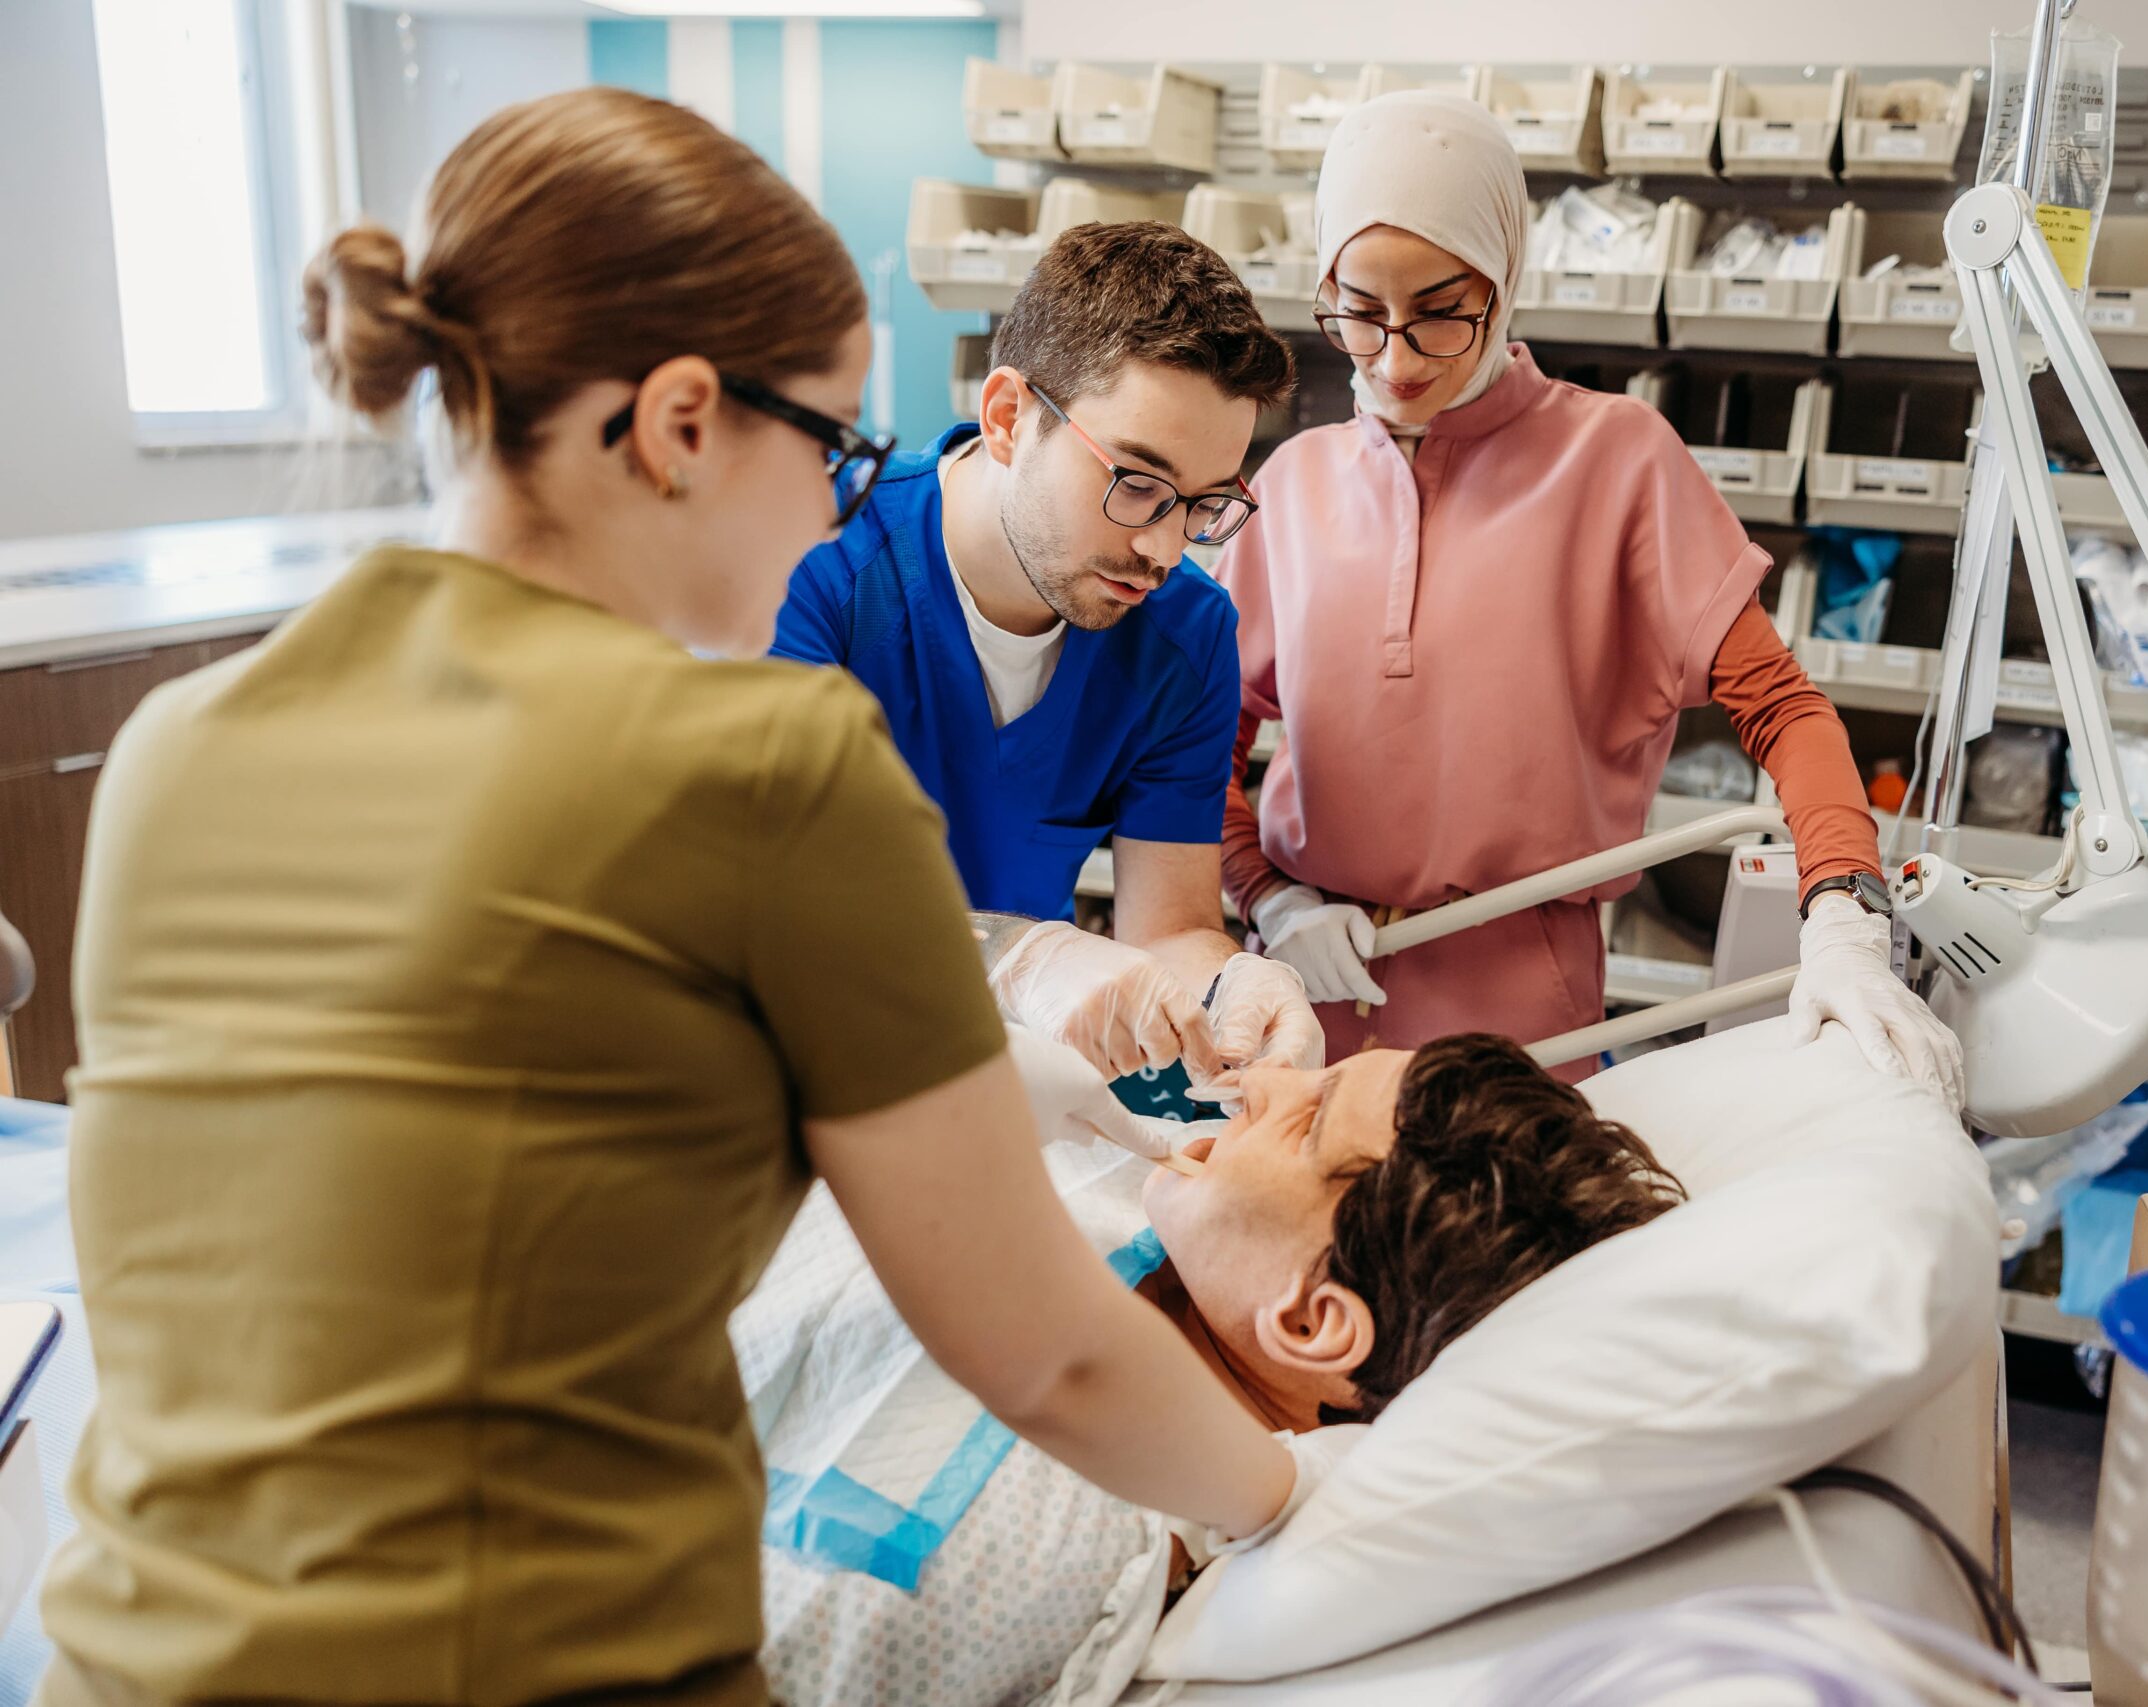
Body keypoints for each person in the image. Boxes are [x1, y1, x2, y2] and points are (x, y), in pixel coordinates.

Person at [38, 88, 1317, 1707]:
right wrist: (1305, 1502)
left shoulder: (175, 745)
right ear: (684, 420)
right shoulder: (771, 757)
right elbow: (1049, 1351)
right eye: (837, 443)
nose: (839, 500)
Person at [1219, 92, 1964, 1103]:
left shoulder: (1614, 462)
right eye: (1359, 312)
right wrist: (1270, 900)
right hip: (1306, 1001)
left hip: (1521, 1005)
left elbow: (1784, 711)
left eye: (1441, 311)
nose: (1393, 360)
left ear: (1505, 278)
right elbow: (1191, 756)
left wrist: (1842, 912)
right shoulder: (1293, 485)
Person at [746, 1033, 1684, 1707]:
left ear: (1313, 1320)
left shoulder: (1032, 1541)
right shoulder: (1140, 1203)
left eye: (1307, 1118)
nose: (1263, 1082)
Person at [774, 222, 1320, 1090]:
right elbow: (767, 902)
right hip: (792, 1063)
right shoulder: (814, 562)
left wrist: (1233, 983)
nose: (1165, 549)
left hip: (1002, 1076)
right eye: (1136, 484)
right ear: (1007, 417)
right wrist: (1021, 956)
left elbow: (1166, 928)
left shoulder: (1184, 634)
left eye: (1202, 504)